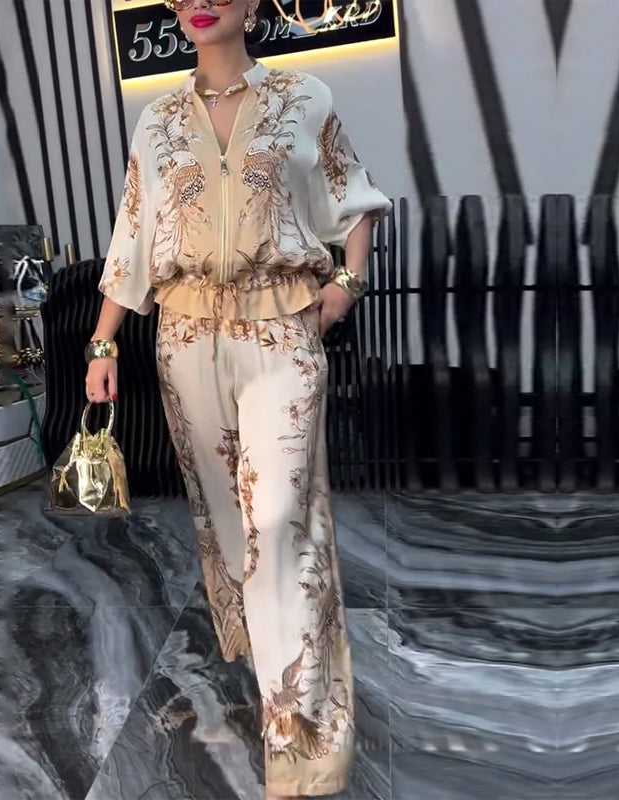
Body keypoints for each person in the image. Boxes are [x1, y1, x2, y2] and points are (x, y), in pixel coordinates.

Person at [85, 1, 391, 796]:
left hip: (281, 331)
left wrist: (348, 283)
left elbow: (355, 198)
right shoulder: (157, 120)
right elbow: (131, 237)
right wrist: (103, 342)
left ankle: (304, 740)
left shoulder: (304, 97)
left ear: (254, 4)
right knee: (227, 519)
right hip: (185, 340)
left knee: (282, 520)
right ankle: (266, 653)